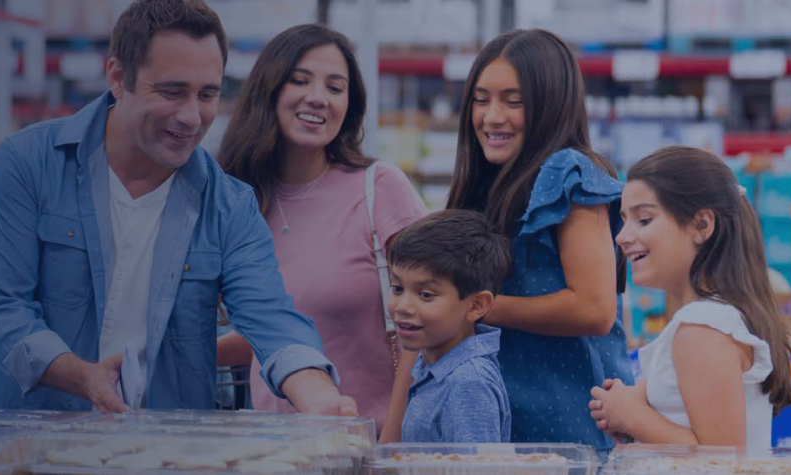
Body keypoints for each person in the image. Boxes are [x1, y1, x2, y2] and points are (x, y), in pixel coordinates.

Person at [0, 0, 354, 416]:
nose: (192, 116)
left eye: (208, 94)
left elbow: (271, 318)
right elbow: (1, 305)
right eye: (173, 91)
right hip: (12, 438)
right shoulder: (29, 163)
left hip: (151, 448)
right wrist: (80, 376)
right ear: (118, 78)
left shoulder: (229, 205)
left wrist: (318, 395)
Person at [388, 29, 633, 451]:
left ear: (552, 104)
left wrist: (474, 308)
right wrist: (389, 443)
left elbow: (594, 308)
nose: (492, 117)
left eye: (513, 101)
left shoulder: (568, 171)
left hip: (570, 422)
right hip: (485, 416)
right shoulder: (480, 185)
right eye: (481, 100)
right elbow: (429, 323)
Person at [214, 24, 427, 436]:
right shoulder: (241, 202)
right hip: (273, 451)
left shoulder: (379, 190)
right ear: (269, 89)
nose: (318, 97)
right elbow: (284, 330)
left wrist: (389, 444)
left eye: (335, 87)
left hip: (367, 447)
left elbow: (429, 323)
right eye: (300, 80)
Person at [588, 146, 791, 448]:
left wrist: (634, 417)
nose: (622, 236)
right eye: (624, 220)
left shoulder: (702, 330)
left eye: (644, 220)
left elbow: (722, 458)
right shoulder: (713, 319)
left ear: (702, 225)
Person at [386, 210, 512, 443]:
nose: (403, 307)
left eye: (425, 294)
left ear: (476, 305)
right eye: (397, 289)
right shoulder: (431, 363)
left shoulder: (469, 382)